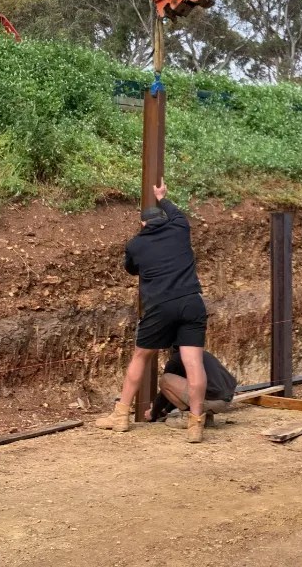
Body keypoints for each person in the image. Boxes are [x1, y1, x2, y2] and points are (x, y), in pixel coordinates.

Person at [94, 179, 211, 443]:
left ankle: (121, 416)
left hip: (160, 306)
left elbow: (132, 269)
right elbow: (177, 213)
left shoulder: (136, 245)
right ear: (165, 219)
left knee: (140, 356)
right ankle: (195, 423)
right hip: (192, 302)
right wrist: (162, 196)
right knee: (194, 363)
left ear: (144, 224)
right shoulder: (180, 228)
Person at [146, 349, 238, 428]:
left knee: (165, 380)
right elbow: (182, 394)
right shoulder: (202, 354)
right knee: (198, 387)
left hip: (209, 400)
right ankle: (206, 418)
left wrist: (153, 414)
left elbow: (165, 393)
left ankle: (189, 418)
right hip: (227, 400)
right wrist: (165, 410)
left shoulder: (177, 358)